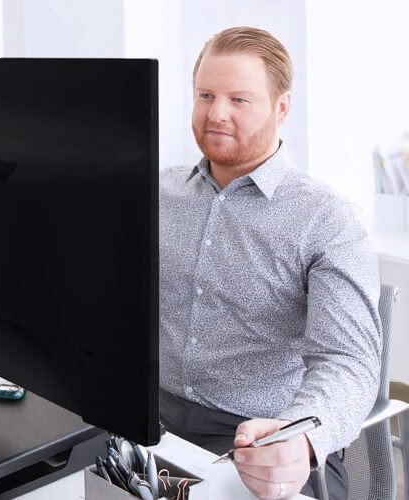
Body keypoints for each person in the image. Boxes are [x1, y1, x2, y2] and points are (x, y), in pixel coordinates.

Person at [159, 26, 381, 500]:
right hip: (153, 427)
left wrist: (299, 435)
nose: (216, 113)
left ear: (281, 109)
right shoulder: (157, 194)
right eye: (205, 95)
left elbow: (348, 362)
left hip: (260, 442)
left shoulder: (327, 220)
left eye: (240, 99)